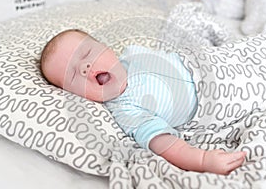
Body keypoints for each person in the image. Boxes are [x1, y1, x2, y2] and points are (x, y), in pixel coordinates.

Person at [40, 29, 247, 175]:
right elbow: (165, 144)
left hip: (215, 62)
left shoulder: (133, 54)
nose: (85, 67)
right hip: (220, 94)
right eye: (73, 75)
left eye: (87, 53)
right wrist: (202, 160)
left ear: (106, 48)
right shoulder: (125, 110)